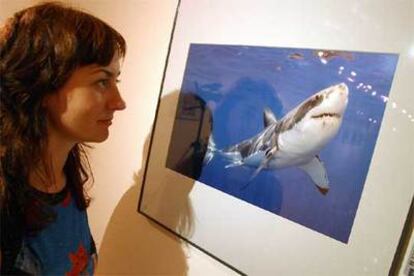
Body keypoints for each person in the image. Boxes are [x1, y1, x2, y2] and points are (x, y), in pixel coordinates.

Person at [0, 2, 126, 274]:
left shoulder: (65, 177)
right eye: (102, 81)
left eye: (117, 80)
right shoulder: (7, 197)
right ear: (43, 83)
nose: (119, 102)